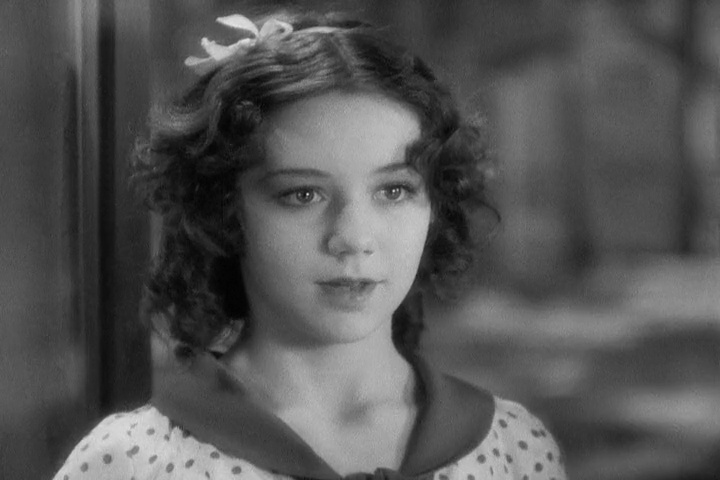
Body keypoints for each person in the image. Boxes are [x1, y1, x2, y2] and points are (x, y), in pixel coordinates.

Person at [53, 10, 567, 480]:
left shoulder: (513, 447)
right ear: (223, 209)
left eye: (393, 191)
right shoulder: (131, 461)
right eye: (303, 194)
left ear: (435, 204)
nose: (354, 238)